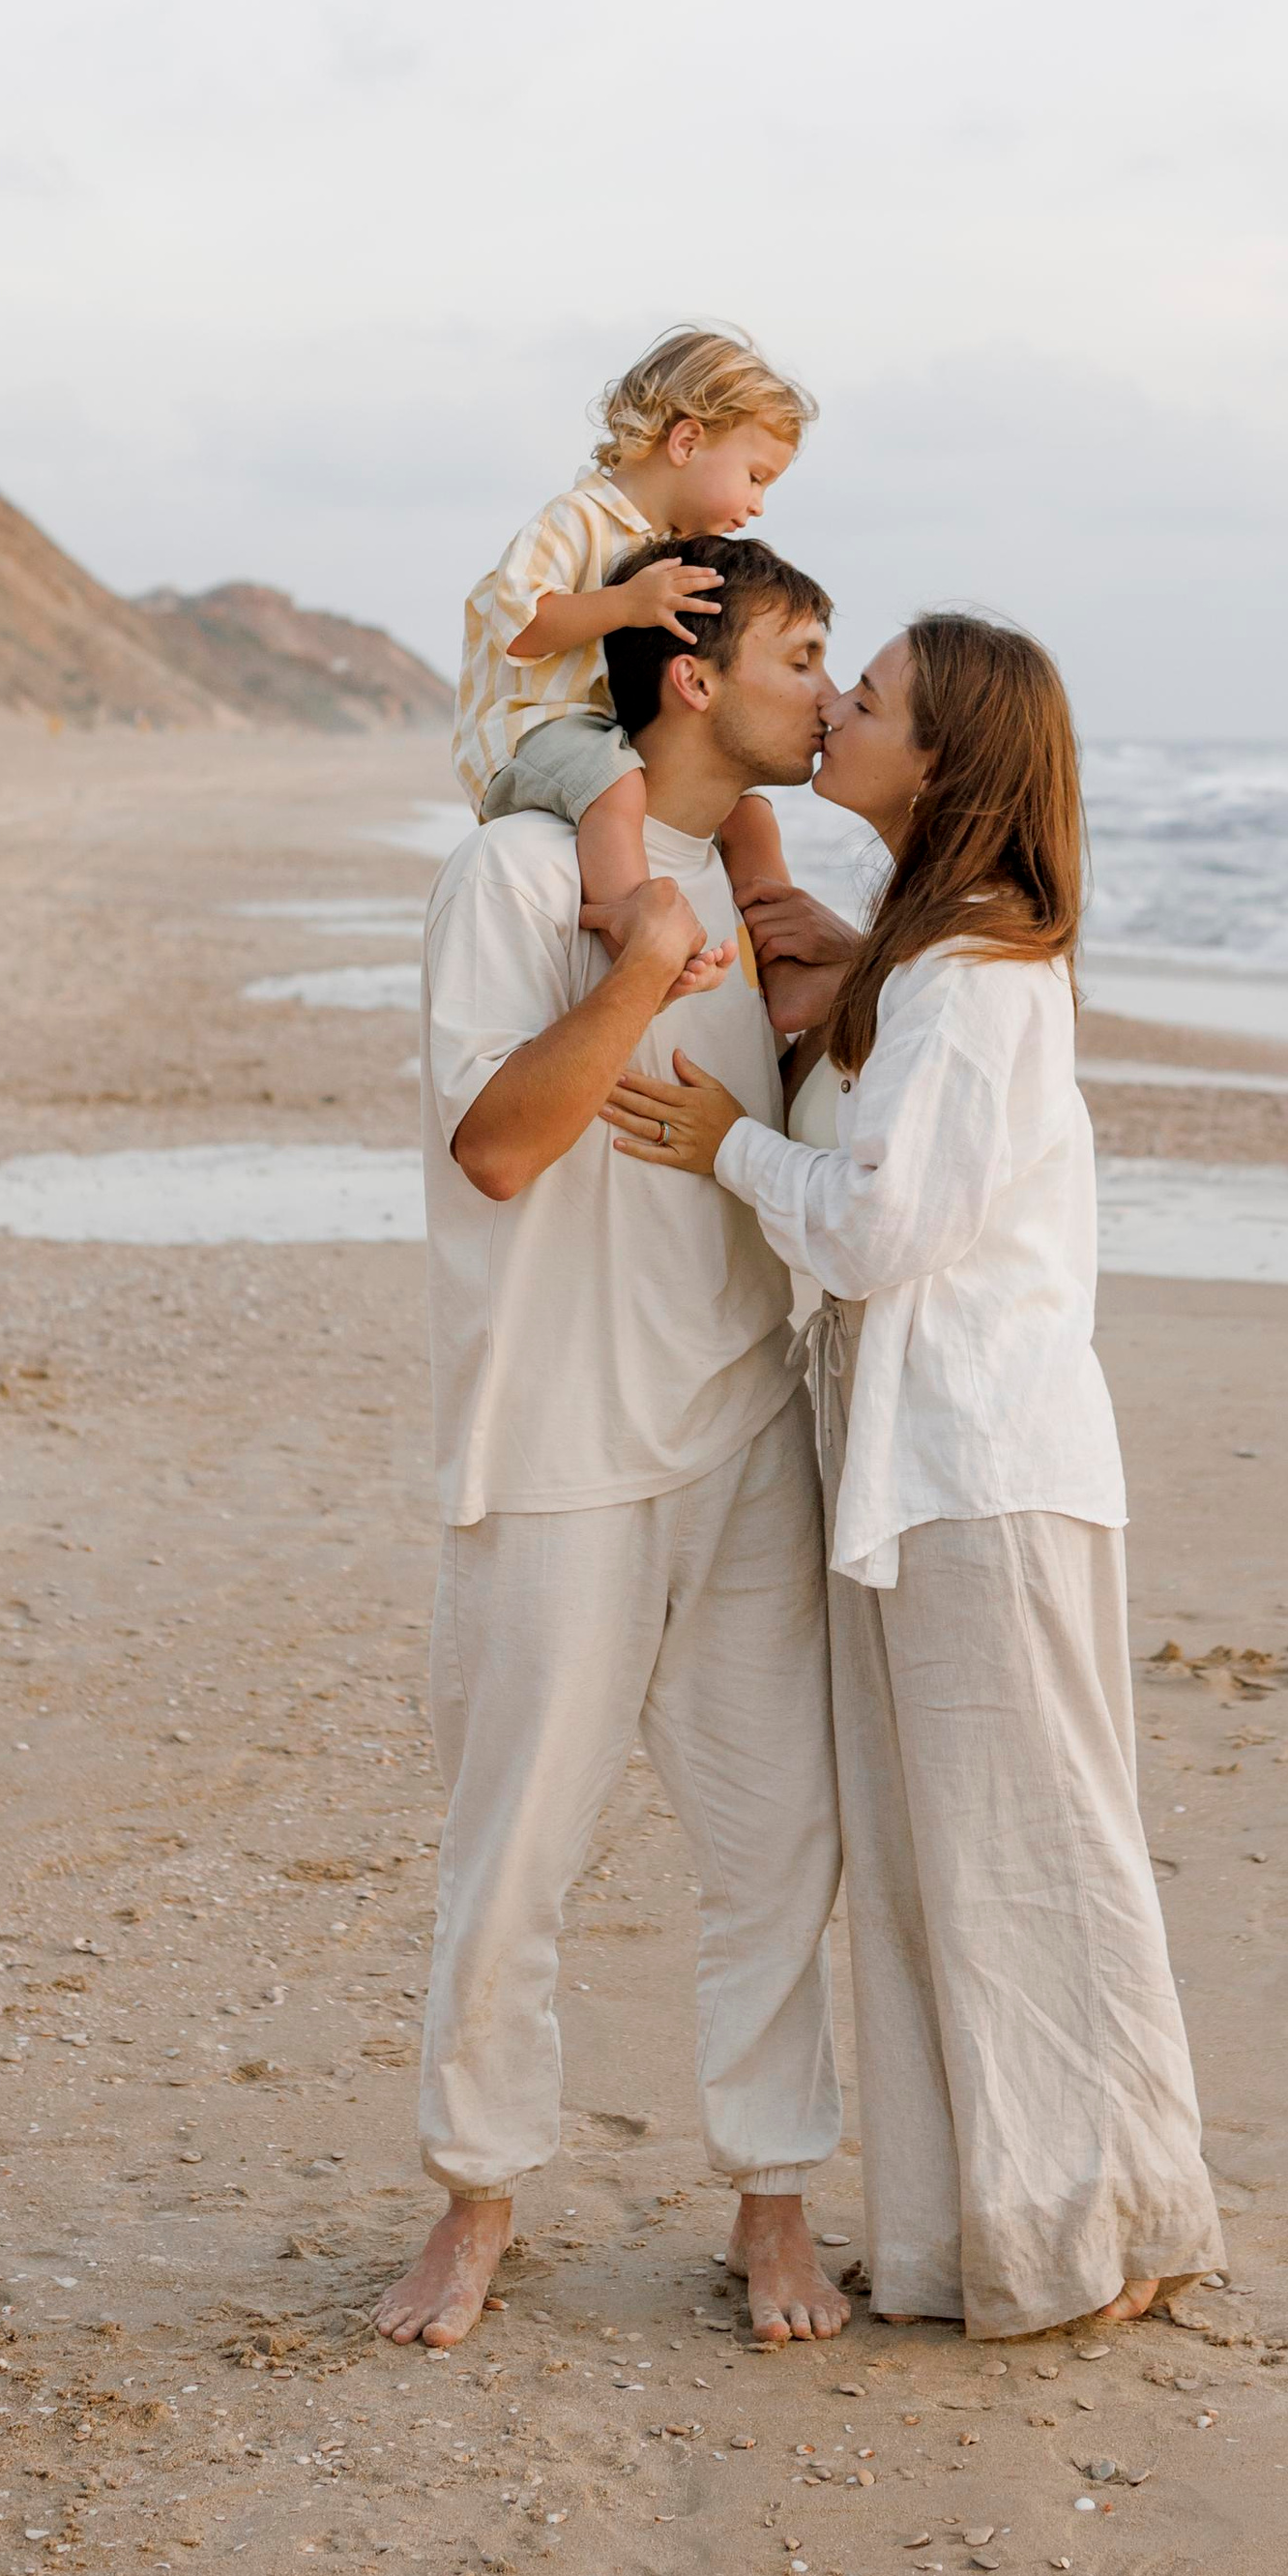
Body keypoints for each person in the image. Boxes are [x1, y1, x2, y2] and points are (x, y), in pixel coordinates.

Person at [601, 615, 1225, 2338]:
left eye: (867, 700)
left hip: (981, 1472)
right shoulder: (931, 953)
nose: (836, 712)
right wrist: (833, 966)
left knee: (1033, 1860)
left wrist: (726, 1146)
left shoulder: (974, 973)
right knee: (948, 1863)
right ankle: (994, 2236)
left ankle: (1102, 2232)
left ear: (940, 760)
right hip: (928, 1472)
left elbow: (884, 1230)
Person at [376, 531, 853, 2353]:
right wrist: (643, 965)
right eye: (805, 658)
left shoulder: (760, 892)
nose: (830, 694)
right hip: (558, 1439)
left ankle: (774, 2202)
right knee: (516, 1853)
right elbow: (499, 1147)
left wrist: (835, 987)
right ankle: (478, 2198)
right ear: (695, 677)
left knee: (779, 1840)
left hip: (743, 1420)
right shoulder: (516, 876)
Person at [450, 326, 816, 994]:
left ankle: (782, 963)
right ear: (687, 442)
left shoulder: (668, 544)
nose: (757, 505)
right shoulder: (576, 519)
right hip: (534, 726)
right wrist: (625, 603)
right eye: (755, 477)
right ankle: (632, 928)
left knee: (748, 810)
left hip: (607, 732)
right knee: (616, 785)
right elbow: (522, 628)